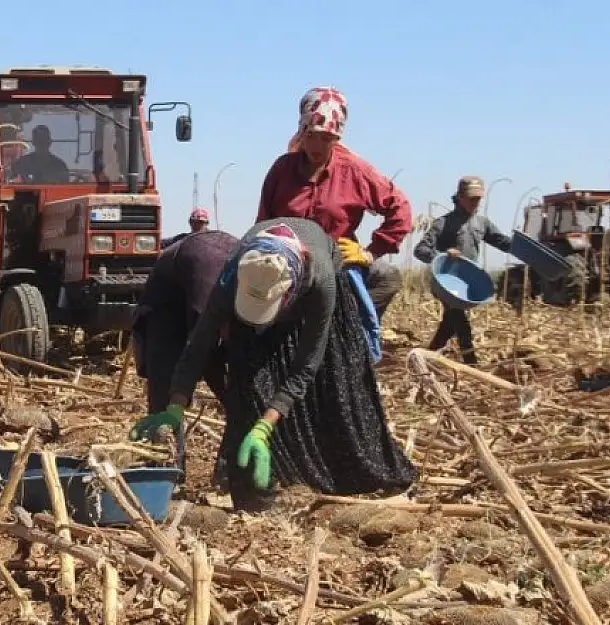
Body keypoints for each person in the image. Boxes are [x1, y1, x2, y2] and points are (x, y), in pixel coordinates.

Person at [130, 217, 417, 513]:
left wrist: (267, 423)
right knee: (247, 386)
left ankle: (325, 477)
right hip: (261, 292)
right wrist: (176, 405)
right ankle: (252, 495)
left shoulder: (321, 282)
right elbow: (200, 344)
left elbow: (308, 362)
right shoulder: (234, 274)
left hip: (309, 287)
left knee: (330, 387)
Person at [256, 86, 412, 322]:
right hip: (286, 266)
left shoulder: (355, 170)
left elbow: (400, 207)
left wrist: (370, 253)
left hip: (335, 265)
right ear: (302, 131)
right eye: (311, 136)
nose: (317, 146)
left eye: (326, 138)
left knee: (385, 284)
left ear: (337, 137)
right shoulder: (282, 169)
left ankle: (355, 335)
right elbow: (263, 223)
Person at [129, 229, 239, 486]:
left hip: (207, 302)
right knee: (166, 394)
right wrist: (180, 398)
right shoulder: (208, 283)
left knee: (240, 395)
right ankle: (166, 470)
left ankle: (229, 472)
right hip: (166, 309)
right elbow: (196, 353)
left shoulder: (255, 273)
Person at [414, 176, 512, 365]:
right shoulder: (443, 223)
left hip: (465, 285)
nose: (476, 203)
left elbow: (502, 242)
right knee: (461, 323)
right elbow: (420, 250)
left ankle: (428, 356)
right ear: (459, 197)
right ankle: (471, 363)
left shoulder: (482, 223)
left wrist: (524, 248)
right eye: (471, 198)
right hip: (445, 283)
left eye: (478, 199)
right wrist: (439, 255)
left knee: (450, 323)